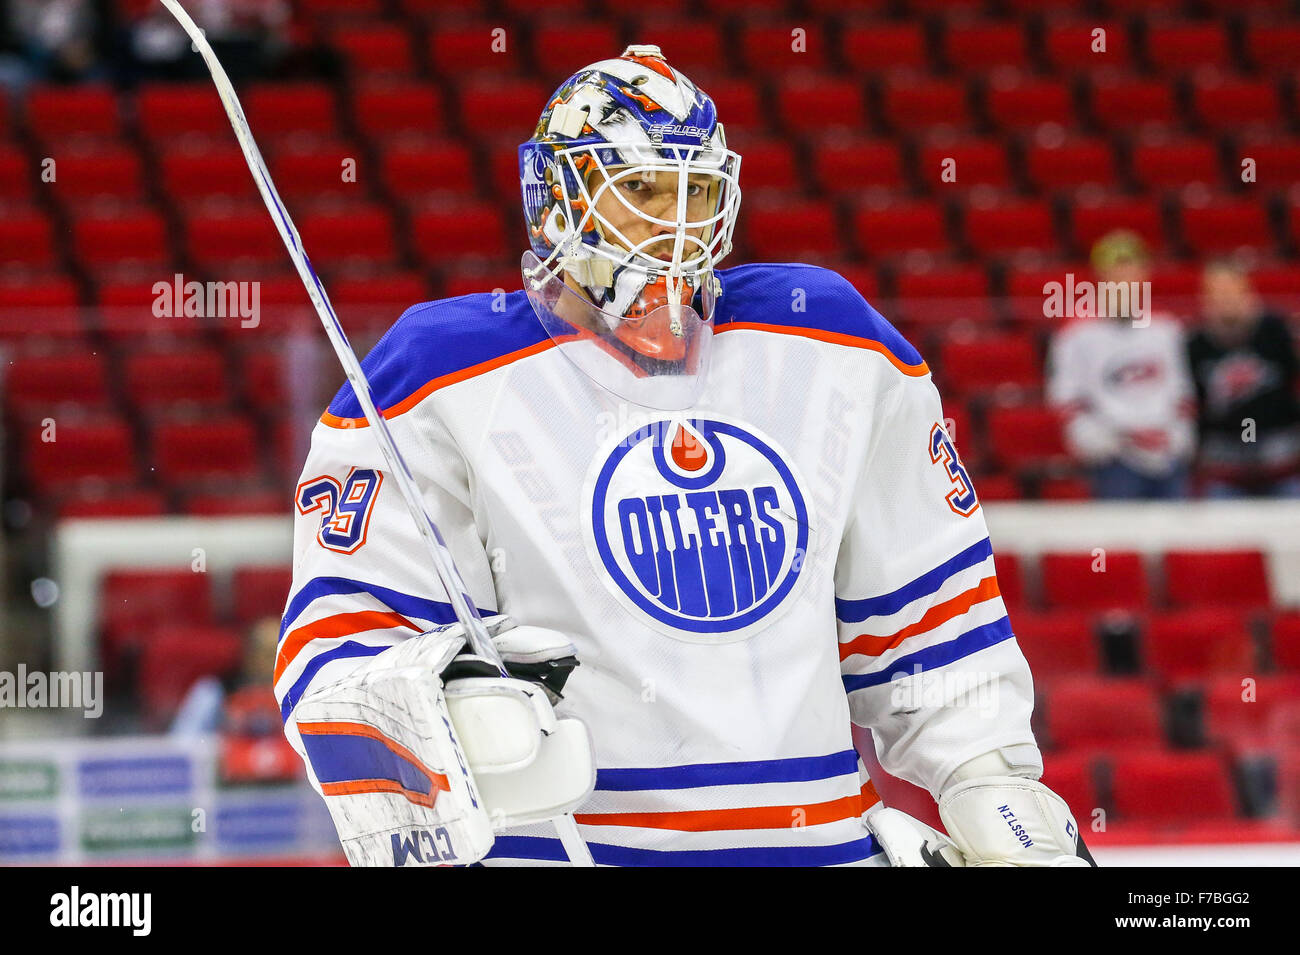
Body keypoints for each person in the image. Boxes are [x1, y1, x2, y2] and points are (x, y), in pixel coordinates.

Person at [276, 46, 1090, 867]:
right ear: (555, 202)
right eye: (639, 191)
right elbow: (337, 645)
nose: (678, 225)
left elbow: (929, 613)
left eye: (696, 192)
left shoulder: (832, 344)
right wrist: (442, 717)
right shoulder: (433, 374)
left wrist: (991, 779)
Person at [1047, 230, 1197, 499]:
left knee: (1176, 537)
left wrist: (1179, 436)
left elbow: (1181, 389)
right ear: (1100, 276)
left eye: (1131, 271)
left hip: (1168, 457)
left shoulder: (1165, 328)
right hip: (1113, 462)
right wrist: (1094, 440)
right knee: (1121, 538)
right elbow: (1066, 396)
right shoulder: (1077, 334)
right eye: (1116, 272)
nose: (1123, 280)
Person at [1188, 259, 1300, 497]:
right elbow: (1195, 401)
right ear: (1206, 297)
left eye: (1231, 289)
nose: (1225, 297)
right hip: (1225, 469)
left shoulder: (1275, 330)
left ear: (1247, 291)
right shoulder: (1195, 343)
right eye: (1217, 291)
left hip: (1281, 466)